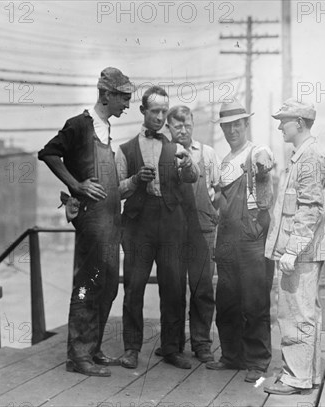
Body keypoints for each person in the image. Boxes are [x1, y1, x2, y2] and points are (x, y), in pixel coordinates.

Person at [38, 67, 134, 377]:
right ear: (106, 95)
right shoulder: (80, 125)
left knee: (107, 288)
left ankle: (92, 348)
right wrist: (76, 186)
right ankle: (77, 356)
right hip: (93, 223)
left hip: (111, 223)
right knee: (86, 287)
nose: (128, 105)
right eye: (124, 98)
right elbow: (49, 153)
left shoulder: (106, 128)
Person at [115, 86, 200, 370]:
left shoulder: (176, 148)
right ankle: (131, 349)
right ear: (143, 111)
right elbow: (116, 191)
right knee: (134, 287)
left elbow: (190, 177)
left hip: (172, 224)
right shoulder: (125, 150)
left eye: (164, 111)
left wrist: (189, 164)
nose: (161, 117)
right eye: (155, 111)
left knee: (174, 287)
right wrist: (135, 180)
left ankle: (172, 348)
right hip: (139, 224)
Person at [263, 99, 325, 395]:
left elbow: (310, 209)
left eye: (283, 120)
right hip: (304, 250)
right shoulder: (305, 155)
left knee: (295, 312)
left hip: (301, 252)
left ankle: (295, 378)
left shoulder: (309, 158)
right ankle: (308, 375)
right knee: (305, 310)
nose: (279, 125)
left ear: (299, 123)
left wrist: (292, 250)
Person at [206, 100, 275, 383]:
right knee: (227, 302)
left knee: (255, 303)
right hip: (227, 239)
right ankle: (231, 356)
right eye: (227, 126)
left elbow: (266, 161)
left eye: (238, 124)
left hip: (252, 238)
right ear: (222, 128)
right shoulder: (224, 163)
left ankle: (257, 363)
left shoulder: (257, 151)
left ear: (246, 125)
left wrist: (262, 166)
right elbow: (221, 203)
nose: (232, 130)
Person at [164, 105, 220, 363]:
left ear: (193, 124)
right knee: (173, 289)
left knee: (202, 288)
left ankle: (201, 343)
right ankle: (172, 345)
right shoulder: (164, 153)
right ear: (169, 128)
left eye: (187, 125)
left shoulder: (206, 153)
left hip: (202, 229)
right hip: (173, 231)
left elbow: (219, 191)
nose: (183, 130)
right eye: (178, 126)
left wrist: (211, 215)